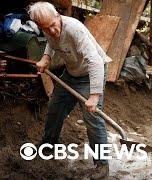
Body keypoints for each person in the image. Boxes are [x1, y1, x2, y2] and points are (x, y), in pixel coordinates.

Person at [28, 2, 112, 179]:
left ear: (58, 15)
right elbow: (52, 42)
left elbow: (95, 61)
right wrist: (45, 58)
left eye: (53, 25)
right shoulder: (48, 28)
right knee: (55, 108)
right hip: (72, 73)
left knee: (93, 118)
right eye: (45, 28)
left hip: (91, 73)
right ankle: (49, 144)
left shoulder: (75, 29)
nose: (51, 31)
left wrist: (94, 96)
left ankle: (102, 164)